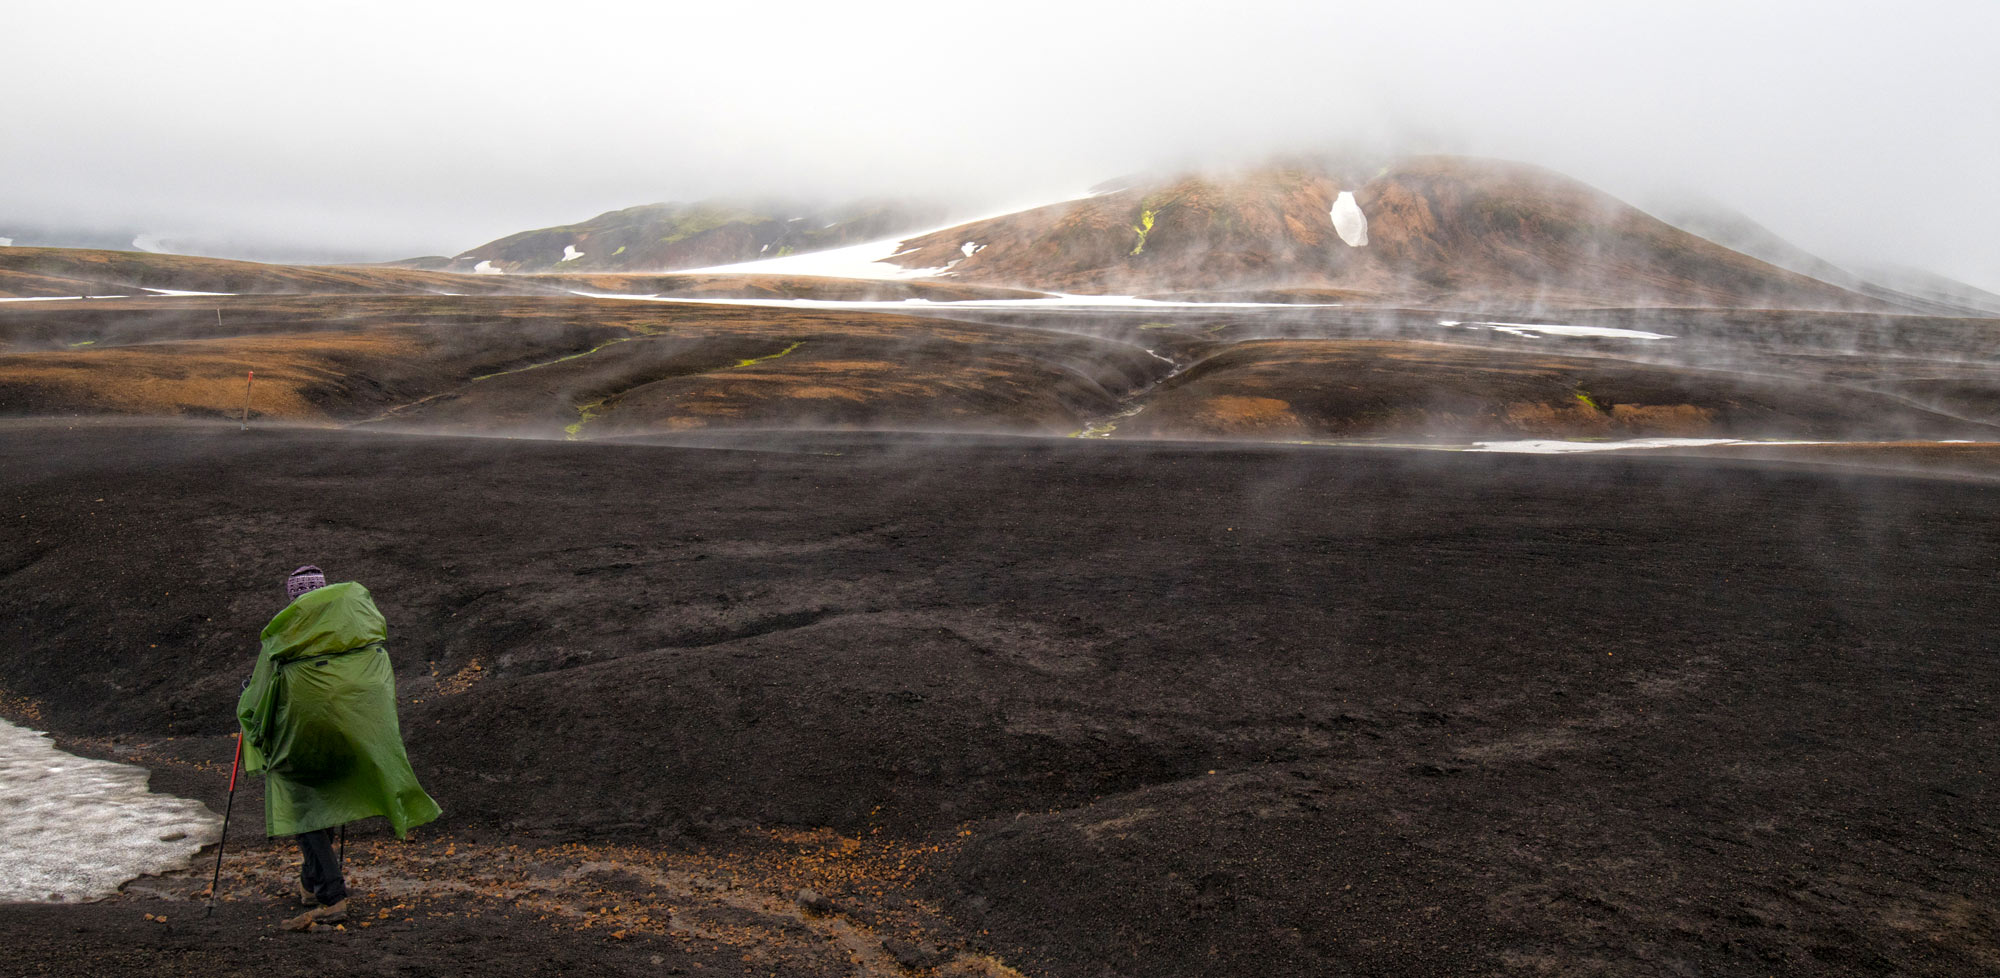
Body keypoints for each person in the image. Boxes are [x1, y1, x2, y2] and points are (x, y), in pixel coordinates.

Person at [237, 565, 441, 931]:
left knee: (304, 808)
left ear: (294, 600)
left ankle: (332, 896)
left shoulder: (285, 637)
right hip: (354, 732)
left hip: (302, 737)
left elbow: (259, 697)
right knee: (324, 800)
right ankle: (311, 884)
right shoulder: (360, 633)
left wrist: (247, 704)